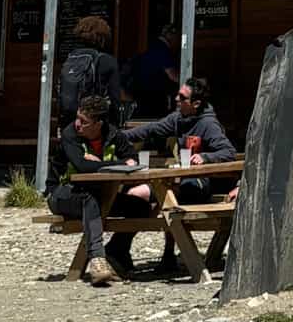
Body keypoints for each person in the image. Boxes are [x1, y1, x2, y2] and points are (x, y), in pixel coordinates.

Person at [110, 77, 235, 276]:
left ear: (196, 103)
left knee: (164, 196)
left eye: (182, 97)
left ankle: (155, 254)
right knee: (138, 194)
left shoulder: (208, 124)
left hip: (201, 184)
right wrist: (118, 136)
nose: (176, 99)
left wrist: (205, 156)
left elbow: (228, 151)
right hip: (177, 181)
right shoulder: (178, 118)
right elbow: (152, 129)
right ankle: (119, 249)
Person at [47, 93, 129, 286]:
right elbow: (81, 166)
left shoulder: (113, 134)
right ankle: (98, 260)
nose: (77, 124)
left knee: (140, 206)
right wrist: (119, 163)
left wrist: (120, 162)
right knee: (88, 199)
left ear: (98, 124)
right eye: (77, 118)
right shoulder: (70, 135)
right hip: (61, 194)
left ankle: (115, 253)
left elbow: (132, 158)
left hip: (101, 195)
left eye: (83, 121)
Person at [58, 16, 123, 126]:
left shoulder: (71, 57)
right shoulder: (107, 60)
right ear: (103, 37)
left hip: (69, 122)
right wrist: (115, 125)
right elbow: (114, 98)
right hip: (93, 124)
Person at [128, 23, 181, 119]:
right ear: (170, 35)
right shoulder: (163, 49)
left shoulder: (153, 46)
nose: (178, 41)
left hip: (141, 91)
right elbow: (172, 75)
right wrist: (187, 81)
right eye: (177, 36)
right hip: (153, 94)